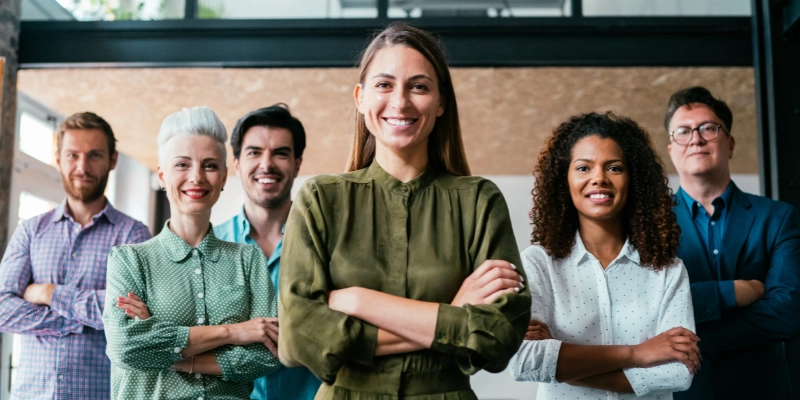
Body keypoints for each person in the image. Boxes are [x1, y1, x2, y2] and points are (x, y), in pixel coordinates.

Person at [278, 22, 531, 399]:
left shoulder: (479, 200)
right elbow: (299, 338)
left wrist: (360, 301)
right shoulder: (320, 199)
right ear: (360, 98)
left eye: (419, 86)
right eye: (384, 84)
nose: (400, 102)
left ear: (441, 102)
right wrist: (453, 313)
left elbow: (500, 335)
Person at [511, 112, 699, 399]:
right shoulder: (538, 263)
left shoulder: (668, 269)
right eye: (584, 168)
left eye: (614, 168)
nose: (599, 178)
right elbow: (523, 361)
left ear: (633, 179)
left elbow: (678, 372)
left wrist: (562, 365)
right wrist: (639, 353)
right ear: (565, 179)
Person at [103, 107, 282, 399]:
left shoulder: (248, 259)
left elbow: (267, 356)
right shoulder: (129, 260)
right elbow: (126, 347)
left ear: (224, 177)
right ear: (162, 175)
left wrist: (172, 352)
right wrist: (235, 332)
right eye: (182, 165)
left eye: (210, 165)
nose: (196, 177)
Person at [0, 112, 151, 399]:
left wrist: (49, 293)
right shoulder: (30, 232)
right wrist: (82, 319)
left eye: (94, 155)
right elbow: (2, 309)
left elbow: (130, 315)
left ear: (113, 159)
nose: (82, 167)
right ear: (58, 158)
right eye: (72, 155)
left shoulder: (133, 236)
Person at [664, 87, 800, 399]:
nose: (696, 139)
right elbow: (646, 305)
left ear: (730, 143)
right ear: (672, 149)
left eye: (708, 128)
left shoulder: (778, 218)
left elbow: (788, 313)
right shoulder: (647, 225)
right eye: (683, 131)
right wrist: (732, 292)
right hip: (682, 392)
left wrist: (690, 335)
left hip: (761, 389)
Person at [215, 104, 321, 399]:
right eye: (254, 152)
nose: (267, 164)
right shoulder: (208, 245)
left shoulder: (326, 244)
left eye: (280, 153)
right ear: (236, 163)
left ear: (297, 163)